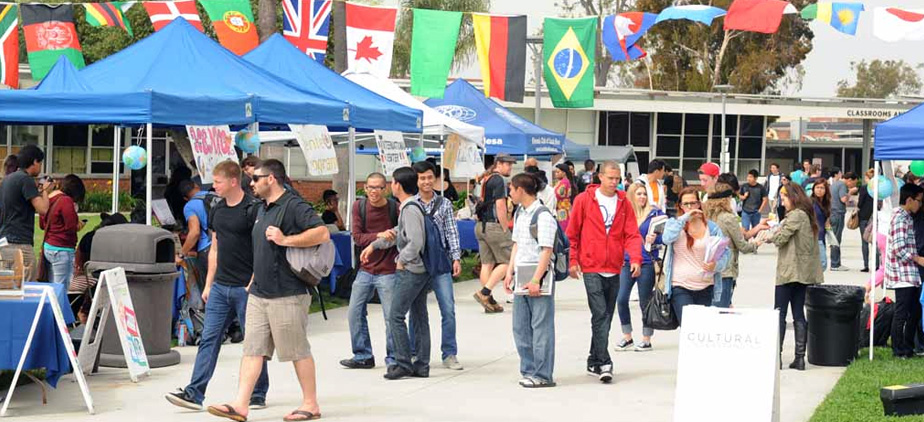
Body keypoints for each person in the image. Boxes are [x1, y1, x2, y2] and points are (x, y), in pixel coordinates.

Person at [208, 159, 328, 422]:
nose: (251, 183)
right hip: (259, 292)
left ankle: (311, 403)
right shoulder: (262, 208)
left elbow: (322, 234)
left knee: (296, 350)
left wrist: (286, 240)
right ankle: (240, 404)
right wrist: (253, 277)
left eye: (255, 178)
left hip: (287, 292)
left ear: (271, 178)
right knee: (252, 349)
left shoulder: (294, 206)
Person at [166, 161, 269, 412]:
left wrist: (254, 280)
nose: (214, 187)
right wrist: (209, 283)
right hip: (221, 286)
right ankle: (194, 392)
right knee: (209, 338)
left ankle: (257, 391)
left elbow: (262, 248)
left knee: (253, 343)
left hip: (246, 288)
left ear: (233, 181)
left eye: (218, 182)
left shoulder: (253, 209)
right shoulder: (215, 208)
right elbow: (215, 247)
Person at [566, 160, 642, 384]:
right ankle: (605, 362)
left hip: (615, 266)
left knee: (606, 316)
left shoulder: (623, 203)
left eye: (617, 179)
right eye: (610, 178)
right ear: (599, 177)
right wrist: (573, 260)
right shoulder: (583, 200)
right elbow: (573, 233)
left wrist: (635, 258)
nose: (614, 182)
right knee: (600, 314)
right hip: (591, 266)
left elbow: (632, 234)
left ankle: (593, 359)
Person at [360, 167, 431, 380]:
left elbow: (416, 241)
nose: (391, 185)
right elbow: (399, 233)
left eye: (392, 182)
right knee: (419, 316)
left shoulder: (409, 208)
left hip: (411, 270)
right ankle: (421, 364)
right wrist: (375, 245)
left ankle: (402, 362)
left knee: (395, 315)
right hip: (421, 269)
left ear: (398, 185)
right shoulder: (413, 206)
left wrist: (402, 260)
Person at [502, 172, 559, 388]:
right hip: (521, 274)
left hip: (538, 276)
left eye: (511, 190)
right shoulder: (520, 213)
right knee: (521, 328)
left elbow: (546, 250)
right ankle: (528, 369)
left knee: (541, 327)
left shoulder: (543, 215)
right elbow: (516, 243)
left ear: (521, 190)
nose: (510, 194)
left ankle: (543, 374)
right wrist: (509, 271)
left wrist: (536, 280)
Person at [340, 173, 398, 370]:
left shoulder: (394, 207)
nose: (373, 191)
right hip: (365, 269)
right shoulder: (359, 207)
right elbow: (357, 237)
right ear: (364, 188)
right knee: (354, 312)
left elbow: (398, 236)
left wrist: (382, 239)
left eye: (378, 188)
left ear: (386, 189)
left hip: (389, 270)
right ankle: (363, 355)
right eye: (370, 187)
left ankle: (393, 358)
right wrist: (379, 236)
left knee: (391, 316)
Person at [410, 161, 464, 370]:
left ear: (436, 179)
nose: (426, 181)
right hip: (416, 263)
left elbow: (452, 232)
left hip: (440, 262)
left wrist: (456, 258)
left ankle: (449, 353)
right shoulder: (410, 204)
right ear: (416, 180)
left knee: (448, 309)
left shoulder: (445, 204)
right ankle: (414, 352)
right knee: (415, 310)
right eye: (422, 178)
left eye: (429, 177)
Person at [768, 183, 824, 370]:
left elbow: (780, 239)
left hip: (789, 271)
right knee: (799, 313)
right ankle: (799, 358)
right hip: (803, 273)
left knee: (780, 313)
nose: (782, 203)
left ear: (793, 197)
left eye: (784, 199)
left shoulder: (796, 215)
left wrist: (772, 233)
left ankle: (777, 357)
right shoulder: (807, 215)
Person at [662, 187, 730, 325]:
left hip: (705, 286)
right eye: (686, 204)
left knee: (700, 330)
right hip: (680, 285)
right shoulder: (674, 224)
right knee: (688, 326)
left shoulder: (712, 228)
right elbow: (667, 238)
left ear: (699, 204)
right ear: (680, 206)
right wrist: (684, 218)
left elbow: (725, 253)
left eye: (693, 203)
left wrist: (716, 265)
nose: (690, 207)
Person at [615, 183, 664, 352]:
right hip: (627, 261)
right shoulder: (624, 213)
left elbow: (666, 234)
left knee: (645, 301)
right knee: (621, 299)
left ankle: (646, 338)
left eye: (644, 194)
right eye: (638, 194)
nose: (642, 197)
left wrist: (655, 239)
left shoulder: (655, 213)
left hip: (647, 261)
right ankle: (627, 336)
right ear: (631, 196)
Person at [704, 183, 762, 308]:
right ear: (727, 200)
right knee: (722, 311)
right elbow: (742, 245)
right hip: (725, 270)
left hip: (707, 269)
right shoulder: (728, 218)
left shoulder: (705, 217)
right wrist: (755, 244)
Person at [0, 145, 51, 281]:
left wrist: (38, 190)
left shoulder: (7, 179)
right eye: (40, 163)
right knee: (27, 285)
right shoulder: (25, 179)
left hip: (4, 241)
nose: (40, 167)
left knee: (8, 286)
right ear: (34, 162)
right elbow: (43, 209)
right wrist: (45, 190)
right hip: (21, 243)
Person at [473, 154, 516, 313]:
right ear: (499, 164)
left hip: (480, 225)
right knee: (509, 259)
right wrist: (505, 227)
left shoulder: (485, 178)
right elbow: (501, 206)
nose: (510, 168)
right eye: (508, 164)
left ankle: (488, 300)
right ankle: (485, 293)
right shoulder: (499, 180)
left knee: (487, 263)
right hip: (494, 225)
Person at [885, 183, 924, 359]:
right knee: (902, 313)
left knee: (915, 311)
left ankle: (907, 347)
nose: (920, 205)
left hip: (911, 274)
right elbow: (899, 249)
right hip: (902, 274)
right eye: (919, 201)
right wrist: (918, 259)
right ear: (909, 200)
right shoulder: (900, 218)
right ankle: (898, 349)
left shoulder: (907, 216)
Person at [39, 174, 85, 290]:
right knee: (60, 290)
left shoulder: (48, 198)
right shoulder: (66, 201)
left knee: (51, 288)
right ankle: (59, 309)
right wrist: (79, 225)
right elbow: (70, 227)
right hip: (62, 249)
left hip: (48, 247)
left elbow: (42, 225)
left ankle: (49, 308)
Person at [180, 180, 212, 291]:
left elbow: (195, 232)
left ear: (185, 198)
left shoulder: (190, 206)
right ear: (197, 186)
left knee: (208, 289)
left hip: (207, 249)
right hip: (228, 246)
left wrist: (181, 254)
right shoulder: (217, 196)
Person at [828, 168, 851, 271]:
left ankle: (836, 262)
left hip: (832, 212)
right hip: (838, 213)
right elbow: (843, 199)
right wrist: (849, 193)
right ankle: (835, 263)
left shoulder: (832, 185)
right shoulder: (842, 185)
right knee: (836, 239)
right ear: (838, 174)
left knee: (834, 238)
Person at [811, 179, 831, 271]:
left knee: (819, 264)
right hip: (814, 236)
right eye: (817, 187)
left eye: (822, 188)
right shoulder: (811, 202)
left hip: (822, 236)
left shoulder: (826, 203)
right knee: (822, 264)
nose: (819, 190)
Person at [858, 169, 875, 272]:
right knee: (875, 242)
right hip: (875, 217)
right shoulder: (879, 188)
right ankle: (877, 265)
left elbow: (860, 203)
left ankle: (866, 265)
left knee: (864, 242)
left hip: (864, 216)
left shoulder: (864, 188)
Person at [553, 163, 574, 232]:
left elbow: (558, 194)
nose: (556, 174)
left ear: (564, 173)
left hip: (563, 208)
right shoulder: (561, 182)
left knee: (563, 227)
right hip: (561, 207)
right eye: (555, 172)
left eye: (558, 172)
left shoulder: (564, 182)